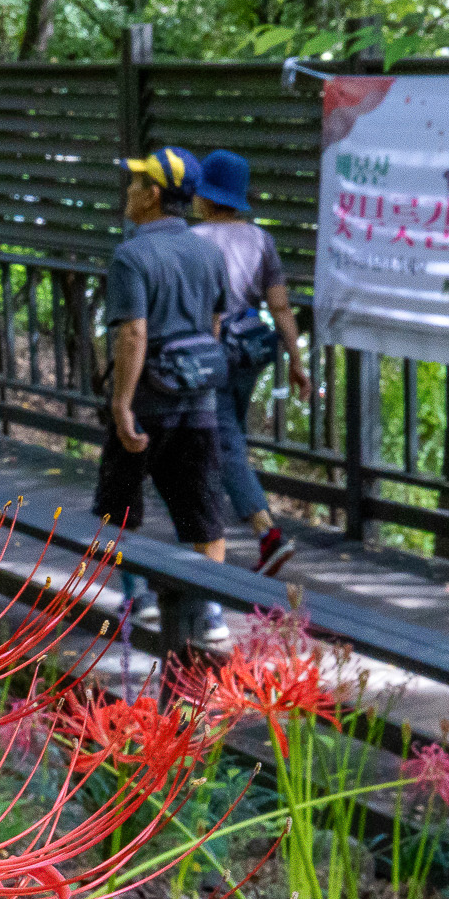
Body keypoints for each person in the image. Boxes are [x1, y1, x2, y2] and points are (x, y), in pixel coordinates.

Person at [92, 146, 233, 651]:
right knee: (203, 513)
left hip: (147, 404)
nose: (128, 193)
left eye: (135, 185)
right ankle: (210, 610)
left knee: (119, 507)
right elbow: (215, 325)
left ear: (153, 194)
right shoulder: (209, 253)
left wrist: (121, 404)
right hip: (197, 402)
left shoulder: (131, 256)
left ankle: (139, 598)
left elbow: (133, 333)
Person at [191, 148, 312, 577]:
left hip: (212, 350)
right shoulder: (261, 240)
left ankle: (267, 534)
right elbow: (279, 307)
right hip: (252, 352)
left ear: (206, 196)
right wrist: (297, 361)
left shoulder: (194, 240)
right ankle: (214, 519)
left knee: (224, 440)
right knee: (229, 433)